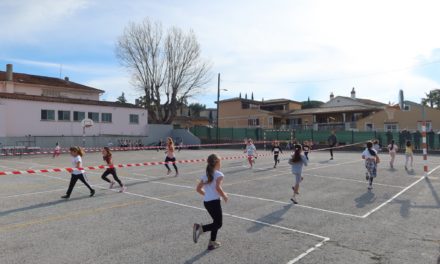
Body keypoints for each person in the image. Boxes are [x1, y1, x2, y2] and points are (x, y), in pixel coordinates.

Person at [193, 154, 228, 250]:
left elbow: (198, 189)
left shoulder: (206, 175)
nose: (221, 164)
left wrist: (207, 195)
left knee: (215, 222)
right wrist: (224, 195)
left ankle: (212, 243)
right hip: (214, 202)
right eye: (220, 162)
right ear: (216, 163)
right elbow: (218, 187)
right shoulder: (219, 174)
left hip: (207, 202)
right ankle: (200, 229)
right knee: (218, 224)